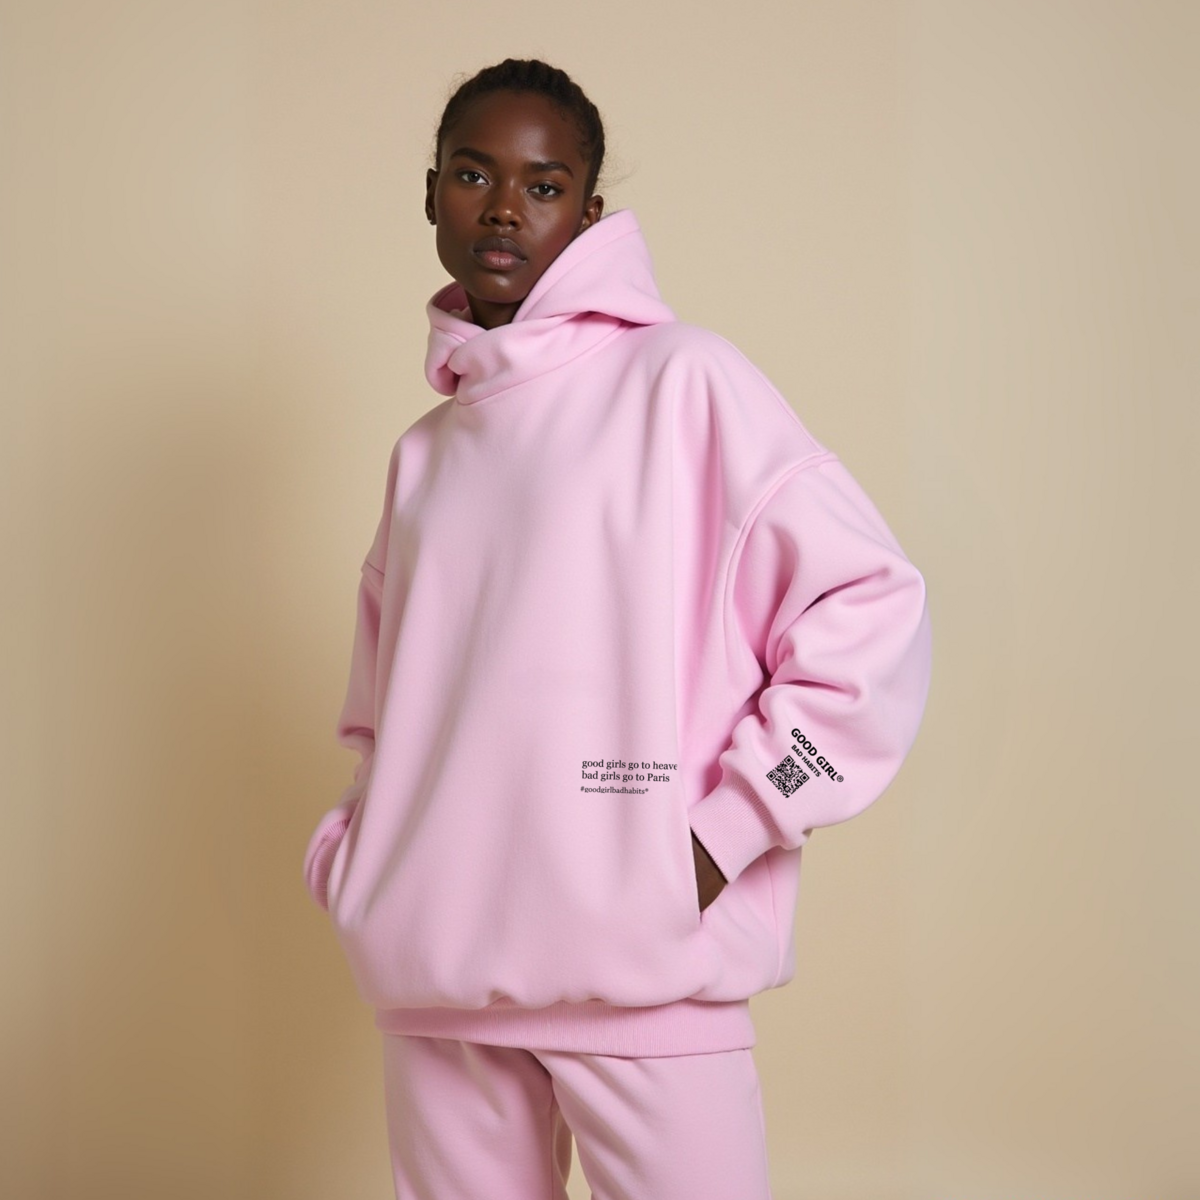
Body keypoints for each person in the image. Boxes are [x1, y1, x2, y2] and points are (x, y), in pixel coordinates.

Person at [302, 56, 932, 1200]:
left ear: (590, 215)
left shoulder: (684, 382)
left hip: (646, 972)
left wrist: (726, 831)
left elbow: (871, 604)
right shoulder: (426, 456)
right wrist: (357, 858)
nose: (504, 208)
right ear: (431, 192)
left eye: (543, 186)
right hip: (435, 983)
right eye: (473, 175)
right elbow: (383, 709)